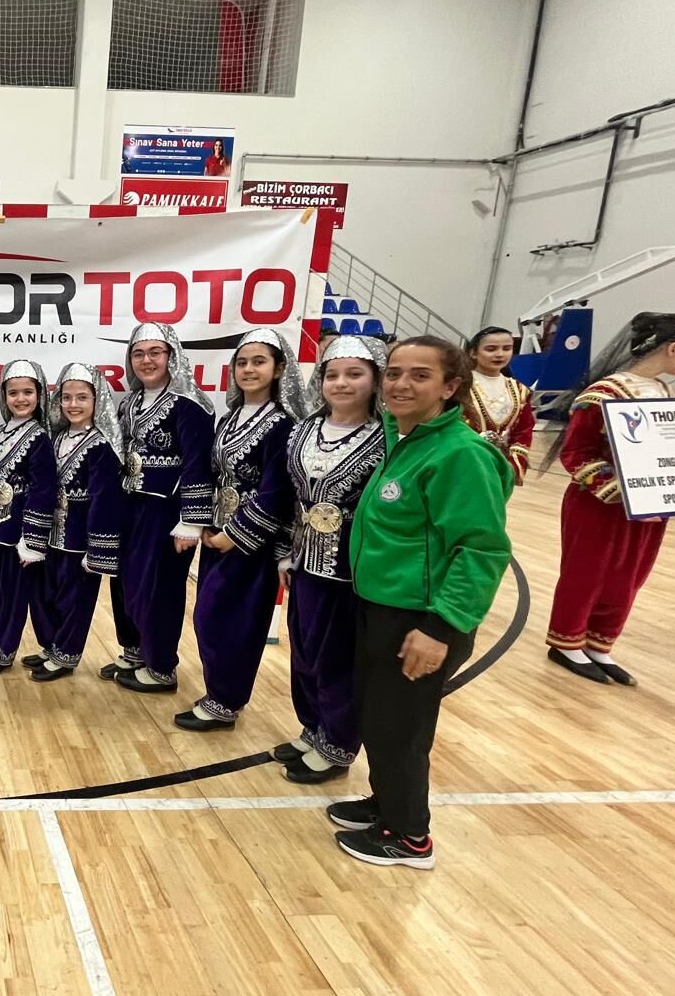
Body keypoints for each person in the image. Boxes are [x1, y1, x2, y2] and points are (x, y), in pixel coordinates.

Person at [328, 336, 513, 869]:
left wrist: (441, 626)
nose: (401, 384)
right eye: (394, 373)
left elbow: (481, 549)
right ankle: (386, 802)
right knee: (378, 717)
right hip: (381, 606)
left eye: (420, 375)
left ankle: (410, 836)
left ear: (451, 386)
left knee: (401, 729)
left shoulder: (459, 454)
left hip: (422, 617)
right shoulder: (405, 437)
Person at [542, 312, 675, 685]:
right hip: (601, 504)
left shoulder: (664, 391)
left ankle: (600, 643)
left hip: (649, 504)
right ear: (673, 348)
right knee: (588, 572)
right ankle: (566, 641)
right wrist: (619, 488)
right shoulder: (604, 393)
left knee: (630, 574)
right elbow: (576, 453)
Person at [272, 336, 387, 784]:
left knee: (337, 656)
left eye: (354, 374)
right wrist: (286, 550)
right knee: (304, 651)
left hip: (350, 569)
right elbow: (291, 497)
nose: (341, 383)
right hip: (304, 561)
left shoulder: (385, 437)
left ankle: (338, 743)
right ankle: (313, 727)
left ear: (375, 379)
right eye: (332, 374)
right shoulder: (304, 429)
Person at [178, 329, 304, 732]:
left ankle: (226, 701)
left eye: (259, 362)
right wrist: (205, 524)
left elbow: (276, 492)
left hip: (250, 543)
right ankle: (218, 692)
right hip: (217, 534)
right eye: (242, 362)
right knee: (209, 616)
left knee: (236, 622)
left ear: (279, 368)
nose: (249, 369)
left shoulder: (282, 425)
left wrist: (232, 535)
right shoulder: (230, 417)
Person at [107, 322, 215, 693]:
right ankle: (135, 649)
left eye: (156, 352)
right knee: (127, 583)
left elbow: (198, 463)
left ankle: (161, 665)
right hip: (130, 505)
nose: (147, 360)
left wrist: (191, 520)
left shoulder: (189, 403)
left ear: (172, 356)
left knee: (159, 588)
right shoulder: (130, 403)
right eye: (138, 353)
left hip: (166, 511)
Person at [29, 363, 124, 682]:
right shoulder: (56, 438)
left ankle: (67, 654)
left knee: (75, 599)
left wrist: (96, 551)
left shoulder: (101, 446)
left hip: (79, 538)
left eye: (82, 397)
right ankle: (51, 646)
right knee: (46, 594)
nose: (73, 404)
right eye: (67, 397)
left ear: (97, 400)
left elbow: (104, 500)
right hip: (51, 534)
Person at [0, 360, 57, 678]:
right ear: (3, 396)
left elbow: (43, 491)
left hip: (17, 533)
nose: (20, 399)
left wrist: (32, 539)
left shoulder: (39, 439)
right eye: (13, 393)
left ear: (39, 395)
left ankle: (4, 650)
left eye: (27, 392)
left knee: (13, 595)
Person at [465, 326, 535, 486]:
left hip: (501, 466)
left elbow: (524, 430)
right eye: (491, 349)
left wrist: (513, 464)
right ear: (473, 352)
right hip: (464, 461)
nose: (500, 354)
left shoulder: (520, 389)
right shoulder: (459, 386)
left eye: (507, 348)